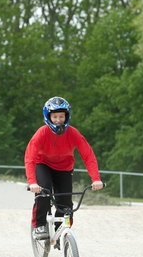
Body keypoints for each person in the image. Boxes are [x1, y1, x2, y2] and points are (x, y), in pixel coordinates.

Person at [25, 96, 104, 240]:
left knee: (66, 204)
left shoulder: (73, 133)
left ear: (66, 116)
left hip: (64, 169)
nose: (58, 120)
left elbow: (88, 156)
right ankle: (40, 225)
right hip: (43, 165)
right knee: (44, 191)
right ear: (48, 117)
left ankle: (61, 234)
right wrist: (32, 182)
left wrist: (96, 179)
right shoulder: (41, 133)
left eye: (61, 116)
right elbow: (30, 158)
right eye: (55, 116)